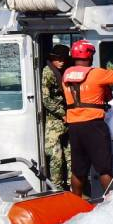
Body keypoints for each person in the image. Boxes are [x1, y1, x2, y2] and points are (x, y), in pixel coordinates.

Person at [61, 39, 113, 198]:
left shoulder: (66, 75)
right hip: (94, 126)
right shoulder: (96, 74)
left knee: (78, 171)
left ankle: (75, 203)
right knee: (104, 169)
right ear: (89, 56)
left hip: (75, 128)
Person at [40, 43, 71, 190]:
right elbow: (46, 99)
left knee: (70, 156)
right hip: (55, 120)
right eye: (58, 59)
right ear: (52, 59)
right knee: (55, 156)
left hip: (67, 118)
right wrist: (62, 113)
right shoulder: (48, 72)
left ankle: (72, 186)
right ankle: (57, 188)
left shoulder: (64, 71)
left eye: (63, 58)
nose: (61, 61)